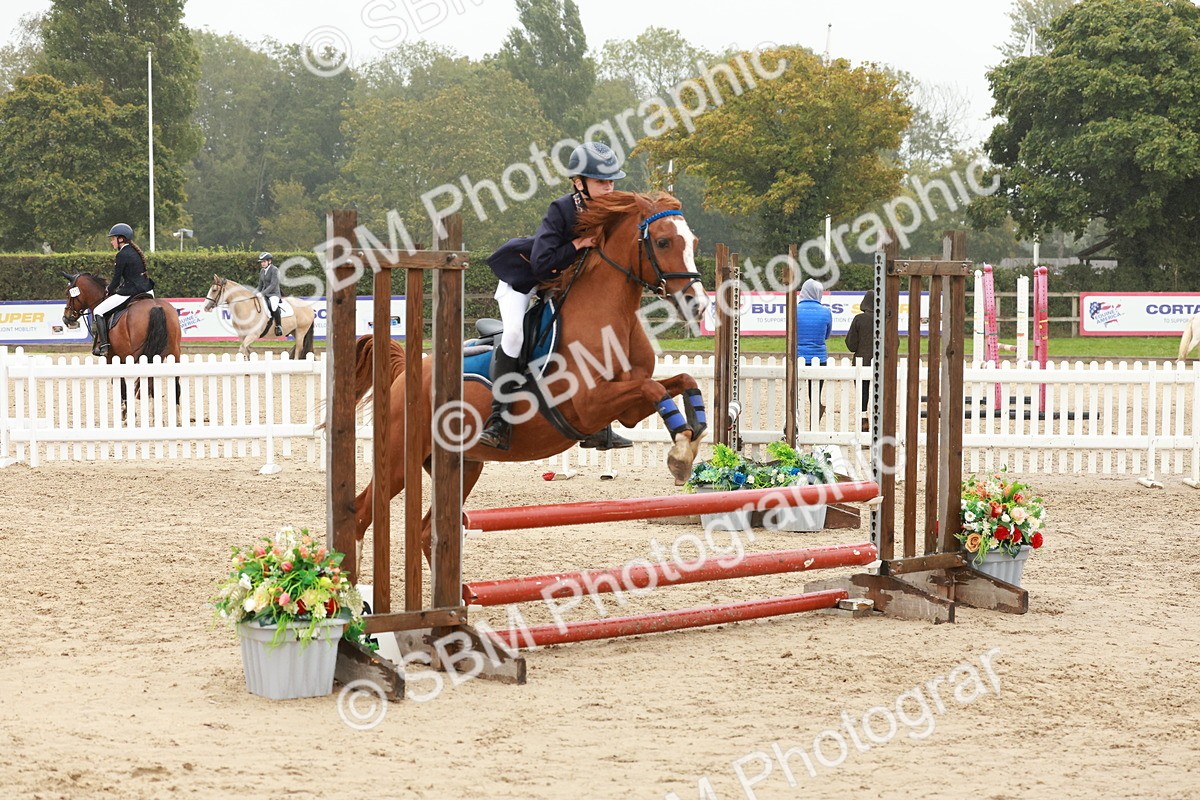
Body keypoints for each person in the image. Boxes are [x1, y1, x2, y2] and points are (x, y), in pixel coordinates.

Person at [477, 141, 634, 451]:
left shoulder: (609, 210)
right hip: (522, 282)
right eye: (601, 181)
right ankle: (499, 421)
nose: (609, 186)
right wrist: (576, 246)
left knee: (588, 339)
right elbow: (542, 262)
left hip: (557, 287)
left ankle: (598, 426)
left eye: (611, 180)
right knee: (513, 336)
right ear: (579, 182)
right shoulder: (561, 209)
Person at [92, 223, 155, 356]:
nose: (111, 241)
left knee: (98, 311)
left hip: (131, 291)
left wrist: (109, 289)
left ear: (121, 239)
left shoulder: (122, 254)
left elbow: (116, 280)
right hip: (148, 291)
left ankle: (104, 346)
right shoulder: (135, 252)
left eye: (113, 238)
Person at [795, 277, 832, 421]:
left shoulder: (794, 310)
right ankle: (814, 420)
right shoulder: (826, 312)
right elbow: (827, 335)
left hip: (798, 356)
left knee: (795, 394)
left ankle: (795, 420)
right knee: (815, 393)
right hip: (819, 357)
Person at [845, 290, 875, 431]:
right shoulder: (886, 320)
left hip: (861, 363)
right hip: (880, 364)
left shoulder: (859, 319)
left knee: (862, 398)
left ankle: (863, 425)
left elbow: (851, 345)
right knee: (879, 397)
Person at [257, 252, 282, 336]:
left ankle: (278, 326)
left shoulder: (275, 270)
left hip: (274, 294)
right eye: (261, 262)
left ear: (269, 261)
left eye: (264, 261)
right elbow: (260, 285)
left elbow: (273, 284)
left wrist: (262, 293)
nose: (262, 263)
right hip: (265, 294)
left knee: (274, 306)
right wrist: (255, 293)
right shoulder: (262, 271)